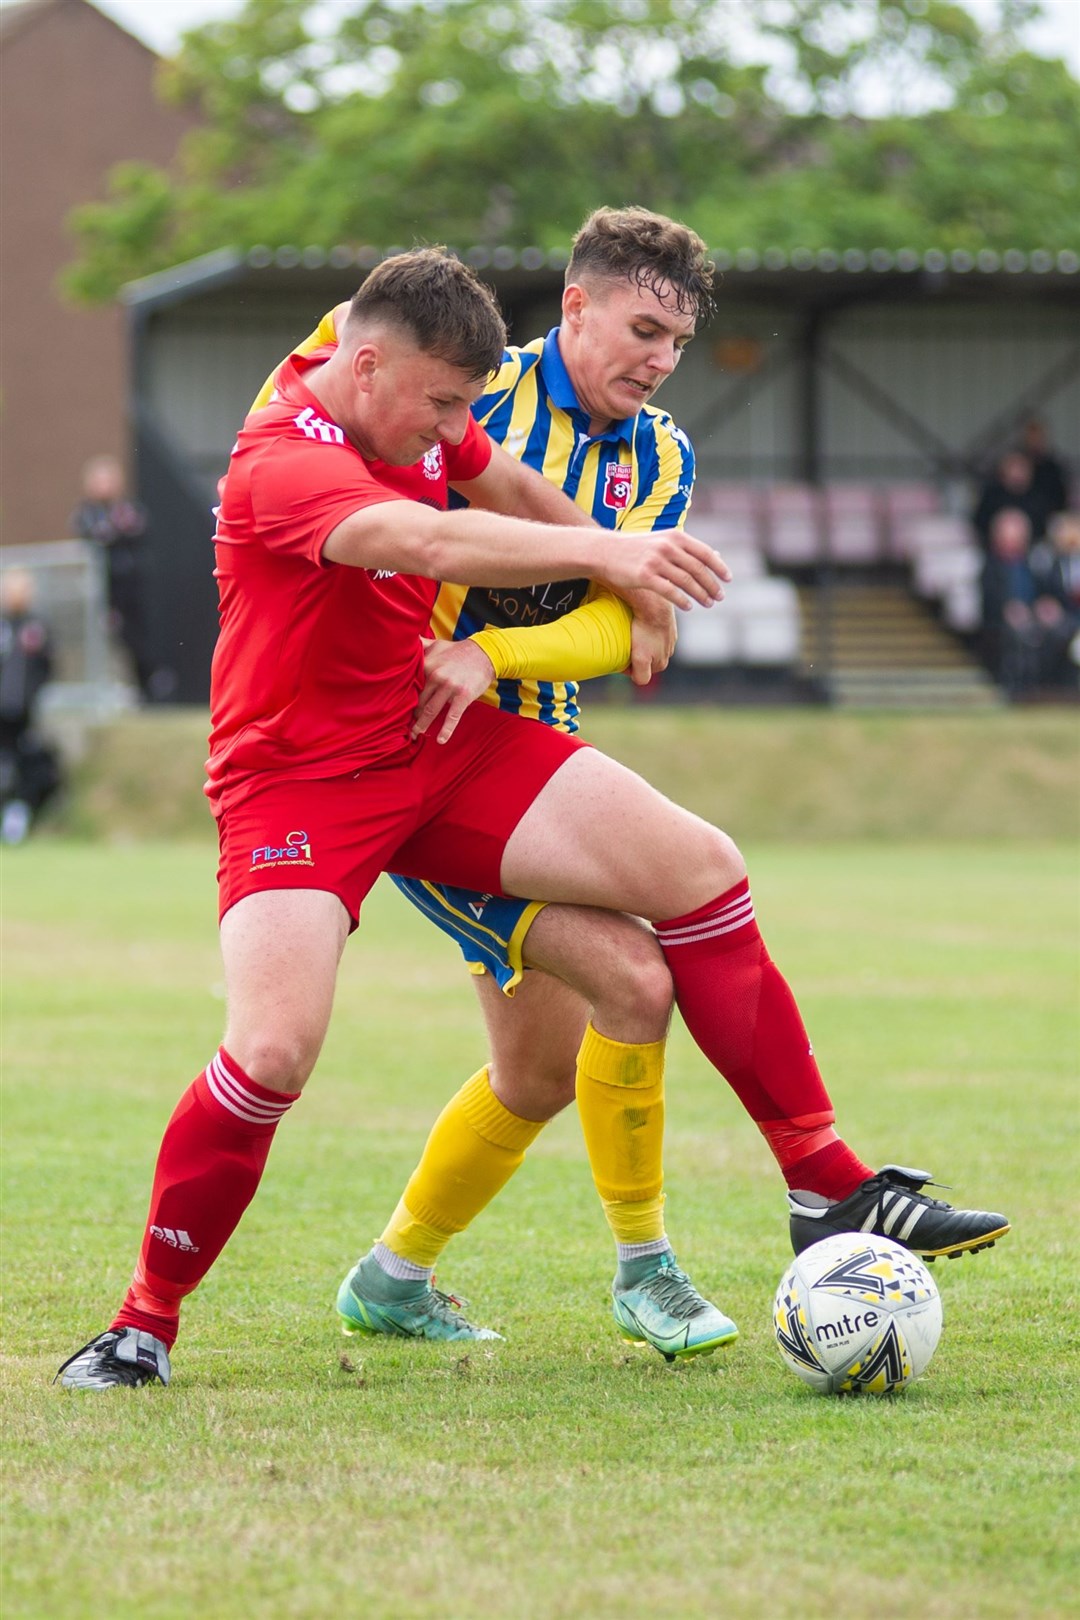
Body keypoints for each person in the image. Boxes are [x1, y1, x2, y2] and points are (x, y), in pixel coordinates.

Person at [56, 246, 1008, 1393]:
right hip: (297, 783)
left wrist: (635, 589)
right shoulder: (280, 467)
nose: (459, 429)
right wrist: (618, 556)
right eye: (445, 406)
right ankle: (142, 1323)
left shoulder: (421, 401)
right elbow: (433, 541)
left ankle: (822, 1182)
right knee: (272, 1054)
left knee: (699, 870)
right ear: (365, 371)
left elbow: (493, 484)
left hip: (439, 741)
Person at [71, 454, 158, 698]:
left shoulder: (128, 508)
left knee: (138, 639)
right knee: (110, 637)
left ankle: (144, 687)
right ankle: (110, 687)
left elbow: (136, 531)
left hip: (131, 587)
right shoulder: (86, 513)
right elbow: (94, 537)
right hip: (103, 589)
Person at [980, 506, 1073, 695]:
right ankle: (1020, 688)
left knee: (1062, 630)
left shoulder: (1034, 561)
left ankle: (1057, 685)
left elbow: (1046, 590)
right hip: (1003, 621)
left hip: (1033, 615)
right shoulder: (990, 566)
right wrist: (1009, 609)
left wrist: (1046, 605)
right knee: (1020, 633)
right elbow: (988, 600)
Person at [0, 568, 61, 843]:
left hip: (23, 714)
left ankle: (18, 818)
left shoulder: (36, 627)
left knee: (32, 766)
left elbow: (47, 665)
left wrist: (30, 693)